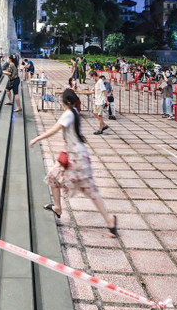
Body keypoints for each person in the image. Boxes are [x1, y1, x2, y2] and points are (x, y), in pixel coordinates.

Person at [29, 88, 118, 237]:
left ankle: (110, 221)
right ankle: (57, 207)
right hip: (74, 153)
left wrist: (37, 138)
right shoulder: (74, 112)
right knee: (53, 177)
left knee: (90, 190)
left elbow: (54, 130)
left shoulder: (69, 114)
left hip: (76, 157)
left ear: (64, 101)